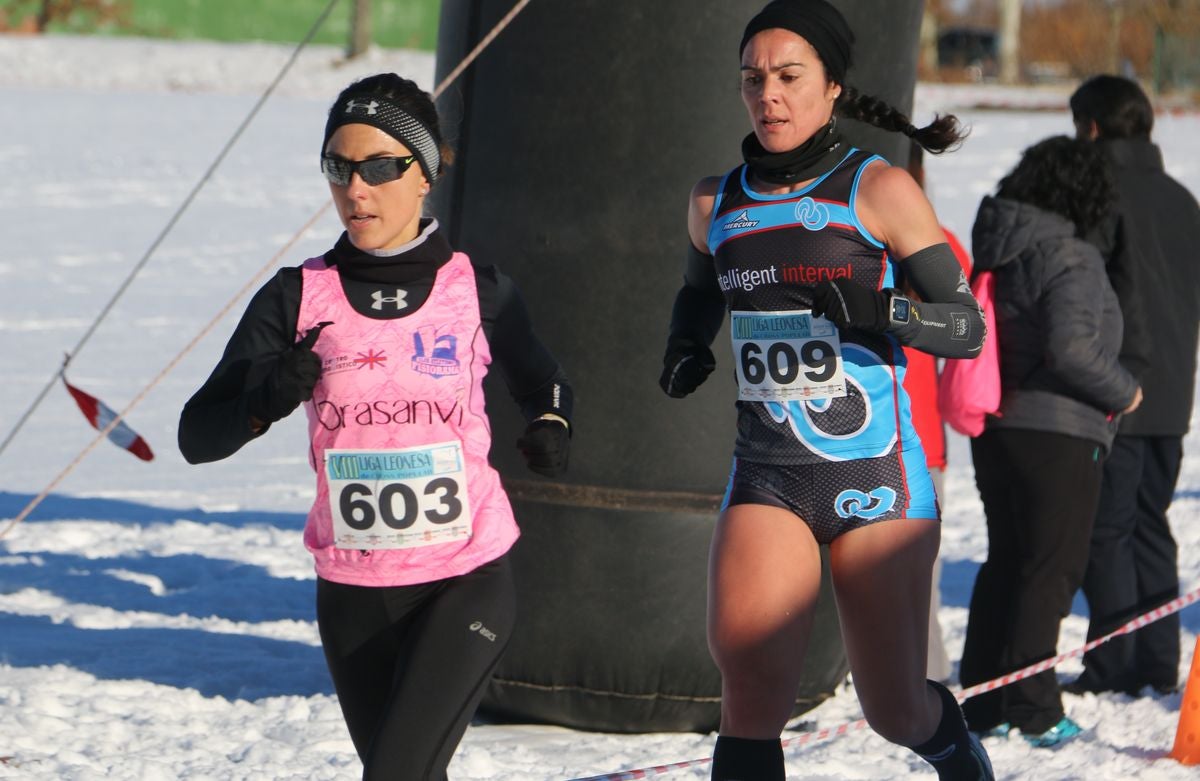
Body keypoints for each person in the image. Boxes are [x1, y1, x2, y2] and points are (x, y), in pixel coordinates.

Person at [177, 73, 573, 781]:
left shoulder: (476, 288)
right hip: (353, 593)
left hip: (465, 579)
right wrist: (266, 397)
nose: (356, 189)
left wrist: (549, 421)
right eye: (339, 168)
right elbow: (196, 435)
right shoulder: (297, 295)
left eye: (380, 167)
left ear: (425, 173)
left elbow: (542, 378)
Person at [658, 2, 992, 778]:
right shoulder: (716, 202)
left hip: (876, 475)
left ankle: (958, 754)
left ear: (832, 86)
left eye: (787, 77)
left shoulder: (878, 190)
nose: (767, 94)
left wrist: (883, 309)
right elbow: (700, 291)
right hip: (768, 473)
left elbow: (966, 326)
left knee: (895, 708)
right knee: (748, 699)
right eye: (752, 79)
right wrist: (684, 346)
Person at [958, 135, 1142, 747]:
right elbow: (1071, 348)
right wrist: (1125, 391)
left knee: (1007, 561)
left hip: (999, 427)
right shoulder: (1069, 253)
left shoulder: (1005, 244)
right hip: (1058, 433)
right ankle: (1034, 707)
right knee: (1051, 568)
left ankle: (984, 699)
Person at [1066, 74, 1200, 697]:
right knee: (1151, 524)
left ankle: (1113, 665)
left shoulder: (1094, 197)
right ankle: (1156, 659)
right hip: (1173, 394)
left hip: (1115, 389)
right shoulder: (1182, 200)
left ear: (1091, 127)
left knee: (1107, 529)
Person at [902, 141, 973, 685]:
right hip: (923, 437)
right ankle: (927, 674)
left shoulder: (837, 235)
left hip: (904, 435)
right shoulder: (941, 242)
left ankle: (926, 676)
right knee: (914, 572)